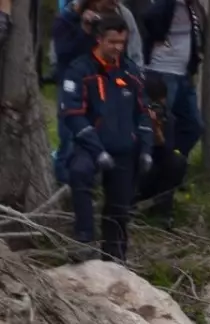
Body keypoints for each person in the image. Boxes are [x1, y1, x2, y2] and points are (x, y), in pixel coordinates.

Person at [59, 14, 153, 262]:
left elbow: (144, 112)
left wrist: (146, 149)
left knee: (120, 207)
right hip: (90, 147)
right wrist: (97, 150)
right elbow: (72, 114)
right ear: (99, 39)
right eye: (112, 42)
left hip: (124, 148)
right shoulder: (80, 69)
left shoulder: (131, 71)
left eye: (122, 42)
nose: (118, 48)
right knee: (79, 172)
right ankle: (84, 239)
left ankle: (116, 255)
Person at [142, 0, 205, 159]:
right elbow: (149, 17)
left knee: (193, 126)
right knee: (158, 124)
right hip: (161, 73)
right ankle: (152, 170)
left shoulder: (193, 8)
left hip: (184, 75)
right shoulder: (168, 4)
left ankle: (174, 165)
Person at [136, 70, 187, 227]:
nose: (154, 110)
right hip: (134, 169)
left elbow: (167, 151)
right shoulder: (131, 116)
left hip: (155, 170)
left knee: (177, 161)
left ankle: (163, 210)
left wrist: (157, 132)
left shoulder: (167, 118)